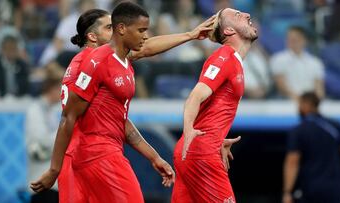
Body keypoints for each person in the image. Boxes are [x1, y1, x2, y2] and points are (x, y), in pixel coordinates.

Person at [31, 2, 216, 202]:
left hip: (82, 153)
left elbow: (145, 49)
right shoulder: (92, 62)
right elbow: (69, 115)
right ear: (92, 37)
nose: (115, 30)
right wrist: (54, 169)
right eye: (109, 27)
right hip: (90, 152)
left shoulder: (107, 60)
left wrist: (190, 35)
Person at [171, 7, 258, 203]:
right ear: (228, 31)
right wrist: (190, 131)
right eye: (237, 15)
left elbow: (211, 107)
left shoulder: (233, 61)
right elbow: (195, 97)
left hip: (197, 150)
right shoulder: (224, 56)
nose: (246, 15)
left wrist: (217, 139)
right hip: (201, 152)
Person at [282, 92, 340, 203]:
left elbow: (292, 162)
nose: (298, 108)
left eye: (299, 104)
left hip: (309, 189)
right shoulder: (336, 125)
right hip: (334, 188)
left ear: (306, 104)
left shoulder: (298, 130)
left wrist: (287, 192)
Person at [270, 26, 325, 101]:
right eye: (290, 39)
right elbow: (281, 86)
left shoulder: (315, 62)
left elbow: (319, 87)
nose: (293, 41)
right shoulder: (278, 59)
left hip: (310, 102)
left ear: (304, 40)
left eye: (296, 39)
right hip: (287, 101)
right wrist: (300, 99)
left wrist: (316, 101)